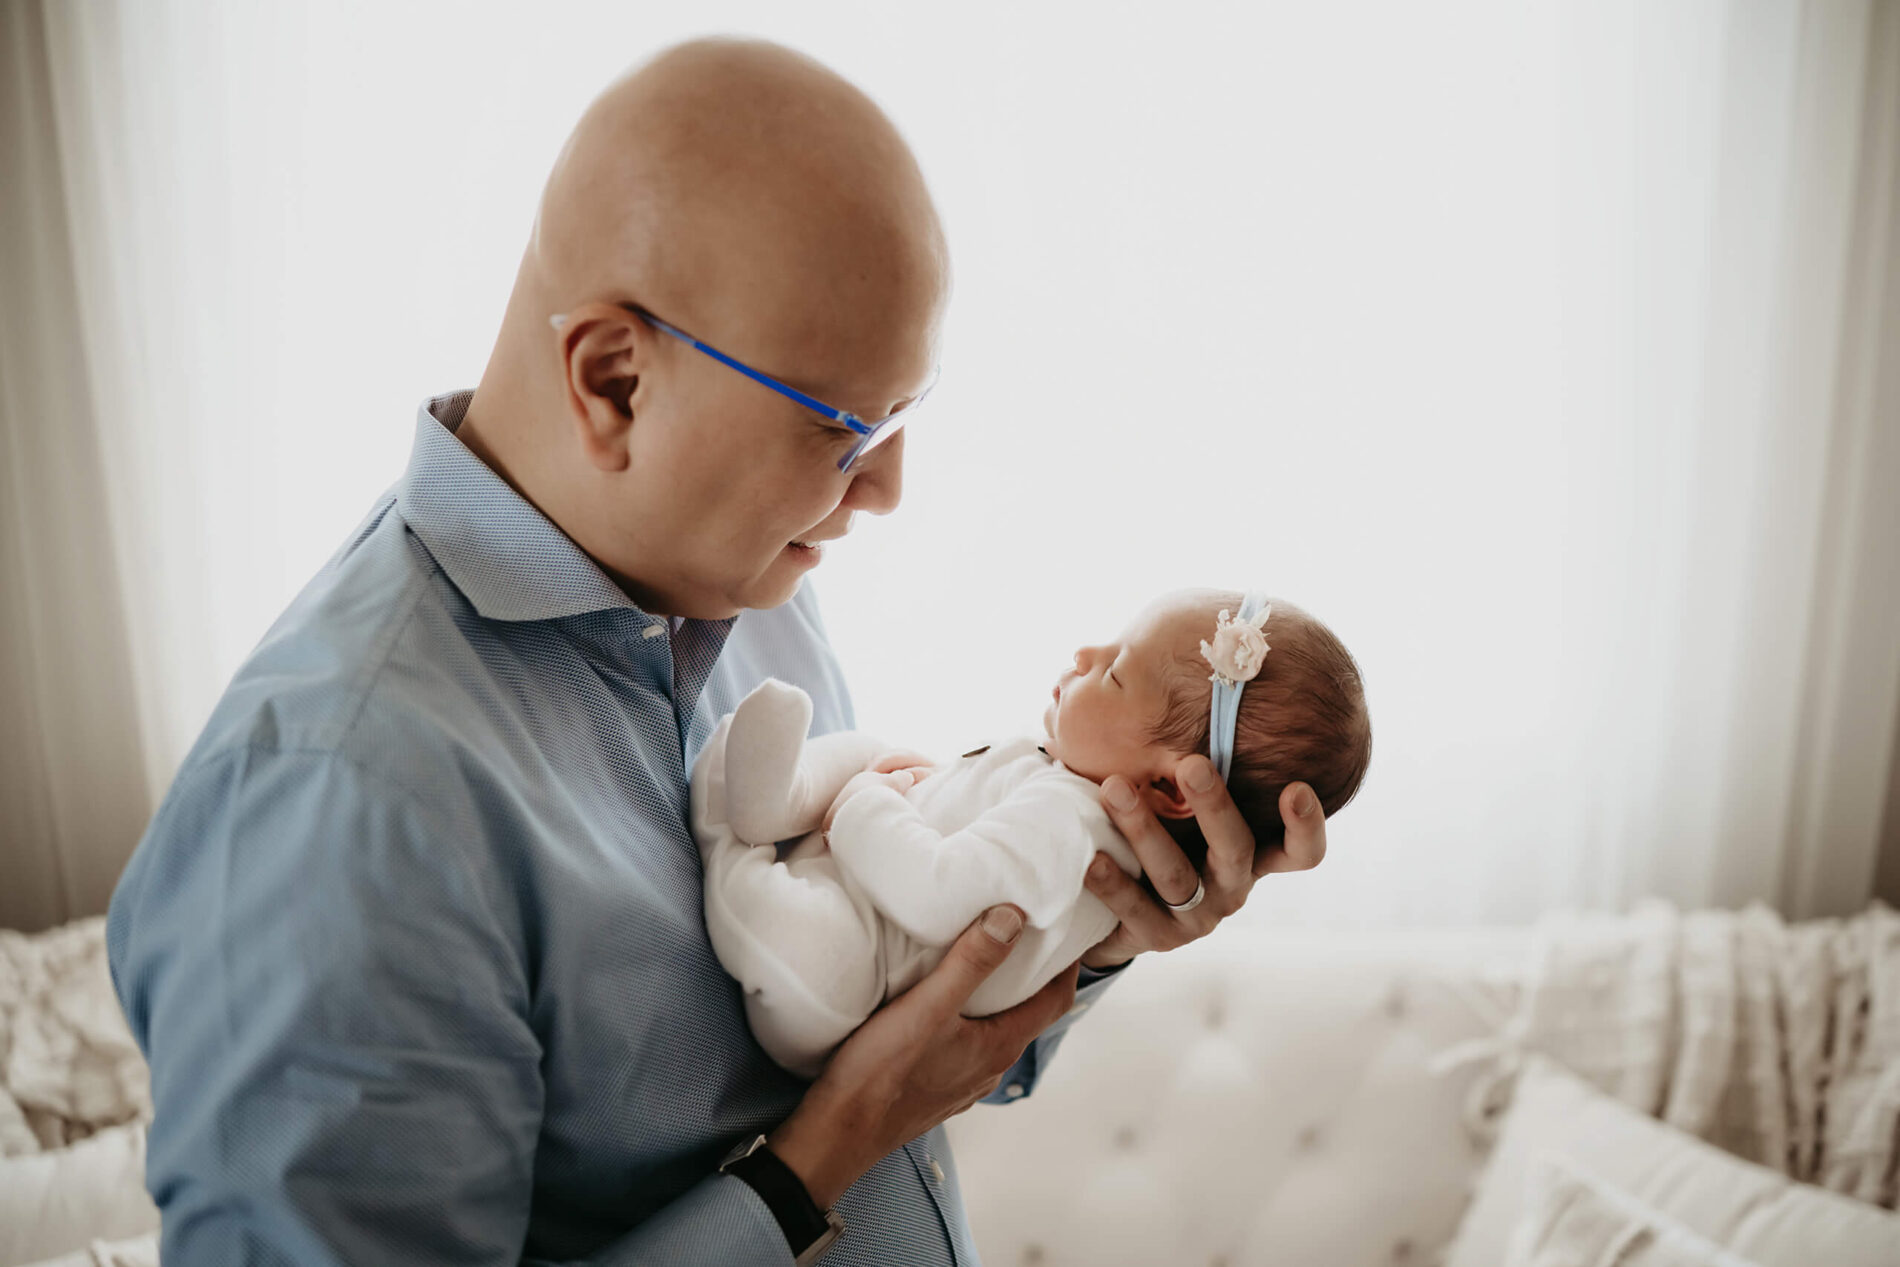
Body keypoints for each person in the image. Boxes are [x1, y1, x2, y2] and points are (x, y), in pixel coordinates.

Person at [105, 38, 1329, 1265]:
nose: (888, 489)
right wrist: (811, 1169)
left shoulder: (749, 586)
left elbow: (897, 1006)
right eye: (847, 429)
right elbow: (860, 1103)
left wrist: (1097, 919)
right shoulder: (338, 800)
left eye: (904, 414)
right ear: (614, 381)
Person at [695, 589, 1369, 1079]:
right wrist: (924, 786)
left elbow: (936, 894)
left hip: (841, 989)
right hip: (860, 882)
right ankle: (777, 798)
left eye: (1114, 671)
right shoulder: (1061, 780)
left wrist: (865, 803)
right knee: (874, 750)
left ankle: (730, 843)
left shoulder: (1074, 824)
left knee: (820, 956)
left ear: (1170, 788)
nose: (1084, 653)